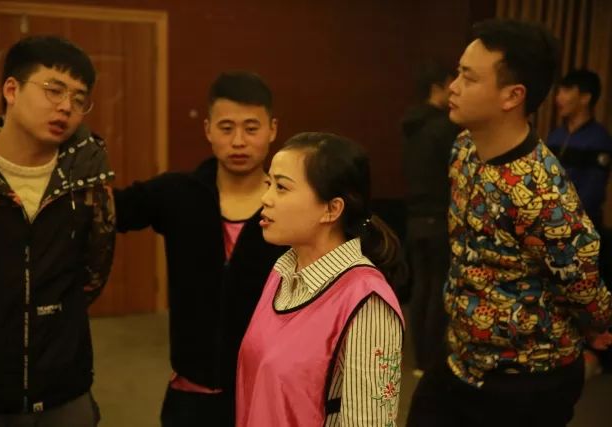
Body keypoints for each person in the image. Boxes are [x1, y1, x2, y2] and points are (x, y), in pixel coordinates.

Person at [406, 19, 612, 427]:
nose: (453, 87)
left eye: (469, 78)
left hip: (527, 377)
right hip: (462, 357)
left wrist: (597, 327)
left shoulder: (541, 191)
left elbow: (583, 282)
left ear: (512, 96)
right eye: (458, 73)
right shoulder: (464, 148)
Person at [114, 71, 285, 426]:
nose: (238, 141)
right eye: (226, 128)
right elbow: (105, 210)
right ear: (208, 130)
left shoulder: (290, 206)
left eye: (251, 128)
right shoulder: (178, 194)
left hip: (266, 394)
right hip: (190, 397)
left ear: (272, 129)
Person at [0, 36, 115, 426]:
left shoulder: (87, 175)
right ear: (12, 90)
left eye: (79, 99)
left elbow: (94, 272)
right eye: (54, 90)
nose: (66, 106)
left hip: (63, 384)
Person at [236, 132, 406, 426]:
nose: (266, 198)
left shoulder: (367, 302)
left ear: (332, 209)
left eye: (281, 187)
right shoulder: (283, 270)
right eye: (268, 184)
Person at [548, 69, 612, 377]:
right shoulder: (555, 136)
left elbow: (593, 191)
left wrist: (564, 215)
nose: (558, 98)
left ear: (585, 97)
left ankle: (587, 356)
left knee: (580, 293)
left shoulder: (598, 139)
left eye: (566, 91)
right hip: (551, 231)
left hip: (583, 231)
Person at [401, 61, 460, 376]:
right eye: (453, 82)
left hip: (414, 215)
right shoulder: (445, 128)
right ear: (440, 85)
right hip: (440, 215)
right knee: (438, 287)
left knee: (421, 287)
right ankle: (432, 358)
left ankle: (419, 358)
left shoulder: (412, 126)